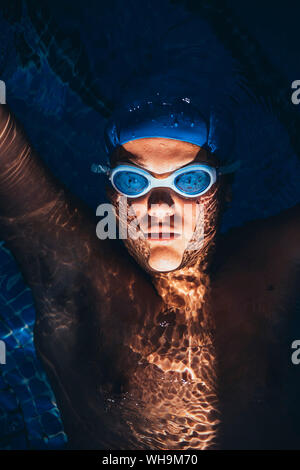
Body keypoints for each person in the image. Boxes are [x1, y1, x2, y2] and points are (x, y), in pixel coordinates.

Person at [0, 95, 299, 450]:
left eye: (189, 181)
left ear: (225, 191)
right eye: (133, 181)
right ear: (111, 194)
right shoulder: (83, 286)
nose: (159, 205)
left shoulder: (273, 271)